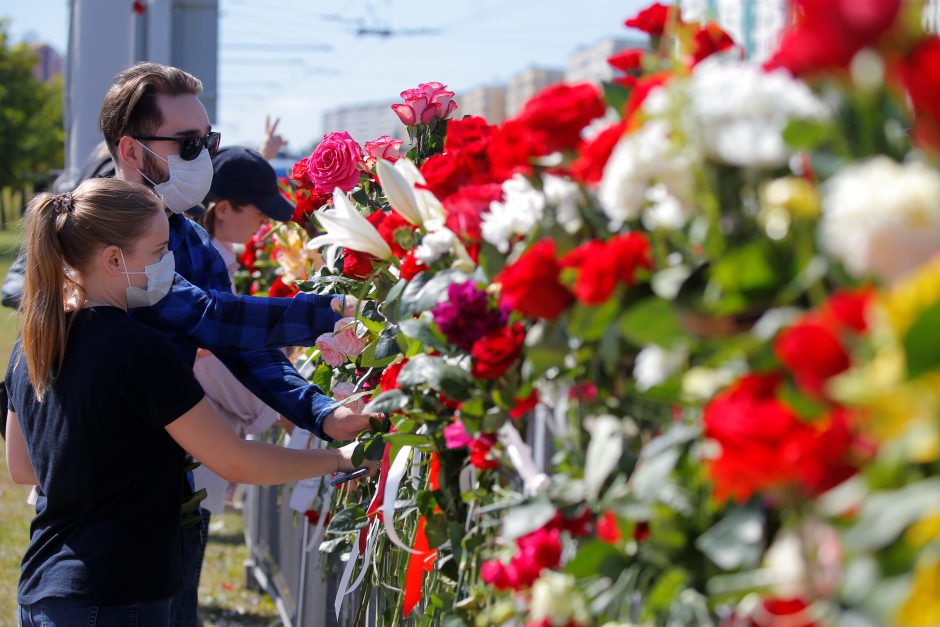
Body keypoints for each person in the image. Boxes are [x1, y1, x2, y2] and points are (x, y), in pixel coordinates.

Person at [4, 178, 372, 627]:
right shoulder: (139, 349)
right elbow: (235, 461)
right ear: (114, 259)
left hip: (44, 586)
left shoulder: (33, 343)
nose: (170, 266)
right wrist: (340, 459)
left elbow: (22, 468)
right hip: (117, 593)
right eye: (159, 253)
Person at [96, 62, 374, 624]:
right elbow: (209, 316)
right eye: (189, 143)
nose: (204, 157)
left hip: (174, 498)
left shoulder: (189, 237)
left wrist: (321, 411)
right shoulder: (94, 236)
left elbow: (245, 349)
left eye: (210, 140)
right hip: (102, 510)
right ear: (131, 150)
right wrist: (334, 310)